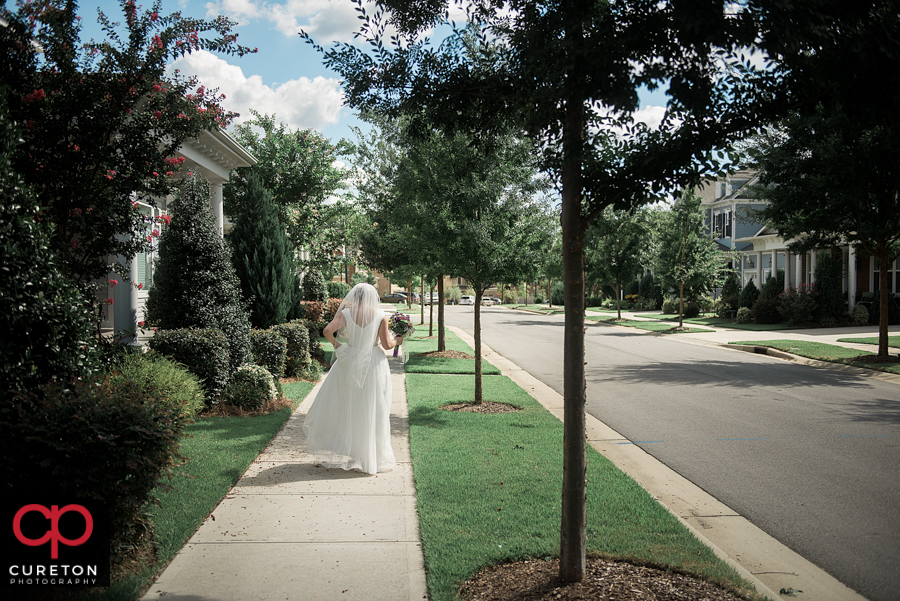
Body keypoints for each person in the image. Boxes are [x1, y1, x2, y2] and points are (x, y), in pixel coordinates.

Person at [303, 283, 402, 474]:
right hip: (373, 363)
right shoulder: (380, 316)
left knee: (353, 407)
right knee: (376, 408)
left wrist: (339, 346)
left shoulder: (347, 313)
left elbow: (326, 331)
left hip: (350, 361)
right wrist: (399, 339)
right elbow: (387, 345)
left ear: (355, 297)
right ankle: (373, 457)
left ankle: (357, 453)